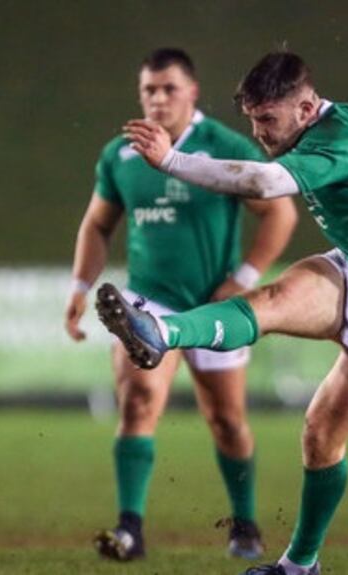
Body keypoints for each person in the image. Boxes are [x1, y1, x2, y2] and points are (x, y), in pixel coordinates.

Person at [100, 51, 348, 575]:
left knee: (321, 435)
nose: (260, 133)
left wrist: (173, 162)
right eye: (253, 120)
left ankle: (300, 564)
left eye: (268, 120)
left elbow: (264, 184)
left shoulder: (340, 138)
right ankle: (158, 331)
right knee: (271, 301)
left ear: (306, 108)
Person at [65, 48, 297, 562]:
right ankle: (130, 530)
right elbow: (98, 224)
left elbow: (279, 212)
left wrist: (244, 278)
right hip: (151, 300)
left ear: (193, 92)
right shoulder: (120, 155)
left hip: (214, 305)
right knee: (140, 401)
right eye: (148, 89)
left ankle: (245, 524)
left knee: (228, 422)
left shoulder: (222, 145)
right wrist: (81, 287)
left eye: (169, 88)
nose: (157, 98)